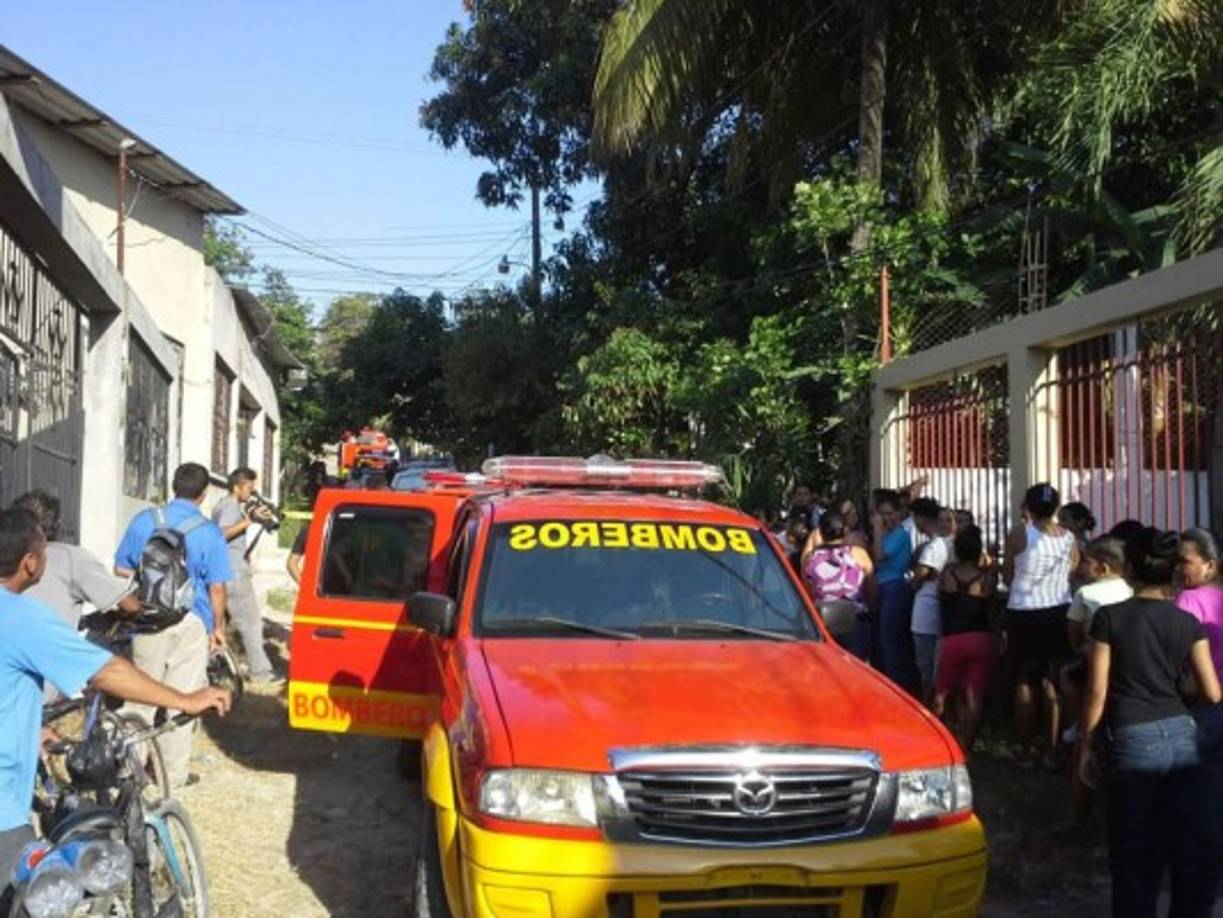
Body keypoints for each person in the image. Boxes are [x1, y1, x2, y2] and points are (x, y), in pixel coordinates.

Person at [0, 508, 231, 908]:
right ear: (30, 562)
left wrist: (27, 731)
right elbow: (104, 671)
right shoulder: (20, 616)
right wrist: (185, 698)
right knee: (34, 897)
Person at [1082, 528, 1221, 917]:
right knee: (1182, 843)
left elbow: (1096, 692)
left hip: (1132, 738)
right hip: (1182, 737)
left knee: (1134, 856)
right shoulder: (1186, 623)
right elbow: (1211, 693)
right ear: (1172, 572)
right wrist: (1177, 683)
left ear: (1130, 568)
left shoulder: (1110, 618)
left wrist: (1086, 744)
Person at [114, 462, 232, 789]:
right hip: (191, 622)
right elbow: (218, 587)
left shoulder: (144, 521)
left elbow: (120, 569)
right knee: (184, 699)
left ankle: (128, 773)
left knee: (139, 697)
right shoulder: (209, 532)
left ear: (172, 486)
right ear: (204, 493)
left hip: (146, 619)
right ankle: (170, 779)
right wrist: (217, 627)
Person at [1003, 482, 1080, 769]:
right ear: (1056, 507)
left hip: (1023, 611)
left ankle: (1023, 749)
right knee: (1052, 682)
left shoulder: (1019, 533)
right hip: (1058, 611)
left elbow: (1009, 574)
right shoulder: (1069, 538)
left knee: (1024, 680)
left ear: (1028, 506)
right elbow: (1072, 568)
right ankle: (1053, 749)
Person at [12, 490, 141, 629]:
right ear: (58, 524)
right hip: (51, 647)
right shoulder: (70, 558)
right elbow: (132, 607)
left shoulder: (9, 556)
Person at [935, 525, 999, 756]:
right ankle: (967, 746)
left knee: (942, 692)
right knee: (975, 694)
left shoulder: (947, 575)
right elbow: (991, 606)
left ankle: (942, 739)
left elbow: (940, 600)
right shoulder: (987, 579)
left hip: (953, 640)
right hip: (981, 639)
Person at [212, 468, 276, 683]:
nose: (251, 492)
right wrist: (249, 520)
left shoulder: (223, 505)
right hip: (234, 574)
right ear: (236, 487)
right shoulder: (230, 507)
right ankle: (260, 673)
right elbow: (221, 534)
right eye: (249, 487)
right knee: (251, 624)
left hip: (228, 570)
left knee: (223, 626)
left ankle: (217, 669)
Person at [801, 511, 874, 659]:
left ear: (820, 532)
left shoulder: (810, 559)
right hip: (856, 619)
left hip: (822, 621)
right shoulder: (858, 554)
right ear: (845, 530)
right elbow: (872, 588)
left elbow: (806, 589)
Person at [871, 490, 920, 695]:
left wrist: (877, 530)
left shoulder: (900, 534)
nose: (887, 518)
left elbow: (880, 555)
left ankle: (896, 688)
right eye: (882, 514)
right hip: (882, 587)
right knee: (882, 640)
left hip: (895, 587)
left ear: (899, 513)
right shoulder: (888, 535)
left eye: (890, 513)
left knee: (891, 640)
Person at [909, 498, 951, 701]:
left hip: (927, 613)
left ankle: (928, 709)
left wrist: (913, 581)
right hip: (941, 611)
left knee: (927, 670)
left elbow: (918, 577)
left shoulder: (934, 547)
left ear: (920, 518)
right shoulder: (949, 543)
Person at [1176, 528, 1223, 681]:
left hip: (1204, 698)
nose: (1177, 568)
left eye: (1184, 562)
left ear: (1209, 565)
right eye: (1175, 561)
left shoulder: (1188, 600)